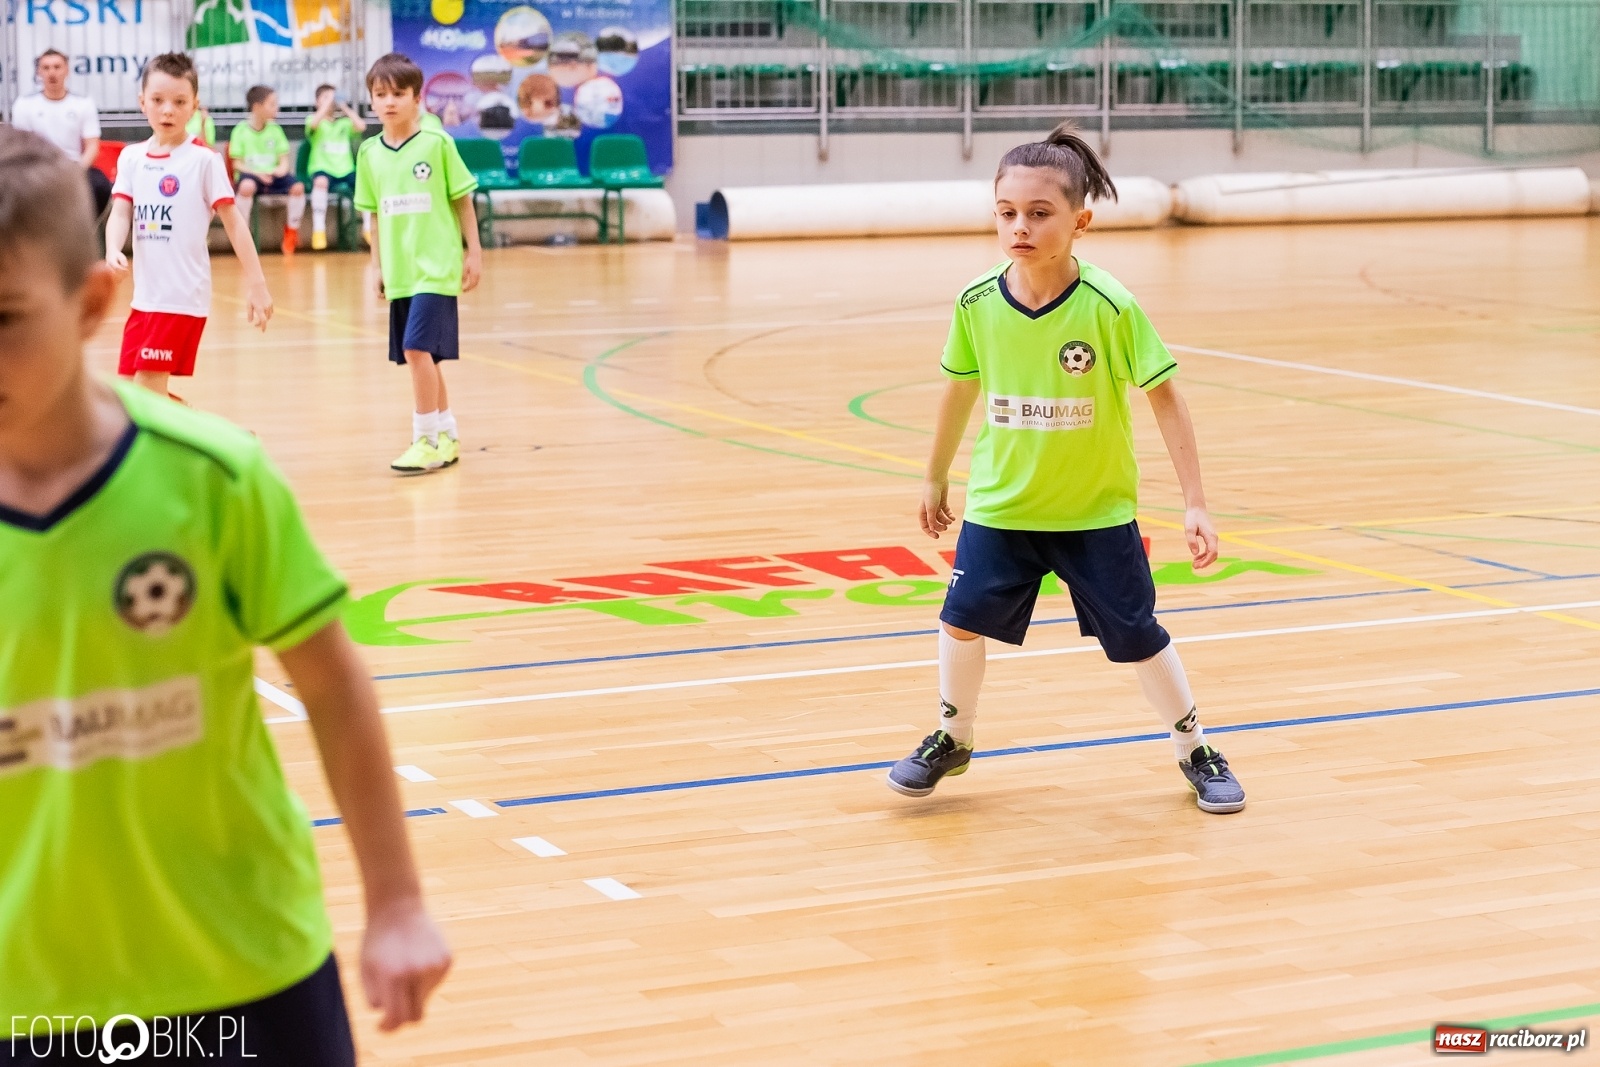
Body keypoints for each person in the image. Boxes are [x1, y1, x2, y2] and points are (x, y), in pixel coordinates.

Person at [0, 126, 452, 1065]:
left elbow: (331, 683)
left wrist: (399, 901)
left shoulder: (217, 479)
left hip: (244, 972)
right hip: (29, 997)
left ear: (91, 305)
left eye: (5, 318)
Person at [886, 121, 1247, 815]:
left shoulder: (1111, 306)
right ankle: (953, 735)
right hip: (1002, 505)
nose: (1019, 226)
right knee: (959, 618)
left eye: (1039, 213)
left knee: (1140, 637)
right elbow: (959, 388)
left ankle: (1196, 746)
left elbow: (1166, 400)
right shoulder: (977, 302)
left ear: (1080, 221)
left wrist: (1196, 502)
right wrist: (934, 474)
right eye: (1007, 212)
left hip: (1095, 511)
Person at [104, 53, 272, 402]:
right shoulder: (131, 157)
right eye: (158, 100)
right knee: (133, 397)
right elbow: (121, 211)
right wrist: (111, 249)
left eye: (180, 102)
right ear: (142, 103)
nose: (168, 110)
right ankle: (224, 439)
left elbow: (235, 223)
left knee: (145, 398)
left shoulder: (203, 161)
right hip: (144, 299)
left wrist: (257, 284)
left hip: (179, 299)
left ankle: (220, 445)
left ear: (195, 105)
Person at [354, 52, 482, 474]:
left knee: (416, 349)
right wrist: (376, 267)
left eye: (398, 94)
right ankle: (447, 434)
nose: (389, 102)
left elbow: (463, 200)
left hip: (437, 268)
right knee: (429, 357)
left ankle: (424, 439)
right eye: (380, 94)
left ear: (415, 98)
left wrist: (473, 252)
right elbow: (372, 213)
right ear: (371, 100)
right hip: (400, 271)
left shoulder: (437, 143)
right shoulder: (369, 153)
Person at [9, 49, 111, 216]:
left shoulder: (83, 104)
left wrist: (76, 170)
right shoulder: (24, 104)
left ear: (67, 70)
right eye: (46, 67)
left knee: (99, 184)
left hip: (73, 166)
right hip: (37, 168)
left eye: (57, 67)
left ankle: (85, 231)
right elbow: (21, 146)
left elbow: (92, 146)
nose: (52, 72)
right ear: (39, 72)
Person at [229, 84, 306, 254]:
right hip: (252, 174)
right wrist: (258, 173)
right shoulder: (240, 131)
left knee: (298, 188)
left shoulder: (276, 130)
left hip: (273, 175)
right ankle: (243, 235)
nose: (276, 109)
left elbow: (284, 160)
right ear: (257, 107)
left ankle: (292, 231)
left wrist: (280, 170)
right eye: (272, 104)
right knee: (246, 187)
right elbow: (237, 163)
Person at [304, 83, 367, 250]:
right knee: (321, 183)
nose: (331, 101)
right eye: (325, 97)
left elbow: (361, 126)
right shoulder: (313, 120)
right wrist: (326, 105)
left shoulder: (344, 124)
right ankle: (319, 230)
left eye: (333, 97)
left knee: (364, 184)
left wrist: (344, 107)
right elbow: (314, 125)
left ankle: (368, 227)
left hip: (345, 169)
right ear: (317, 102)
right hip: (322, 168)